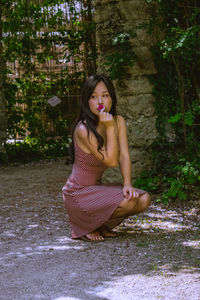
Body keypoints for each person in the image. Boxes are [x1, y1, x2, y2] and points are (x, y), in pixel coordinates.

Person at [62, 74, 151, 242]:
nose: (100, 102)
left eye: (105, 95)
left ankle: (100, 224)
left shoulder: (118, 121)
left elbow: (124, 155)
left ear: (112, 98)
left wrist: (127, 184)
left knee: (143, 199)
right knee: (129, 203)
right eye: (93, 97)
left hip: (95, 192)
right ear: (87, 102)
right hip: (77, 194)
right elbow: (111, 161)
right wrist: (109, 128)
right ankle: (88, 225)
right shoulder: (84, 129)